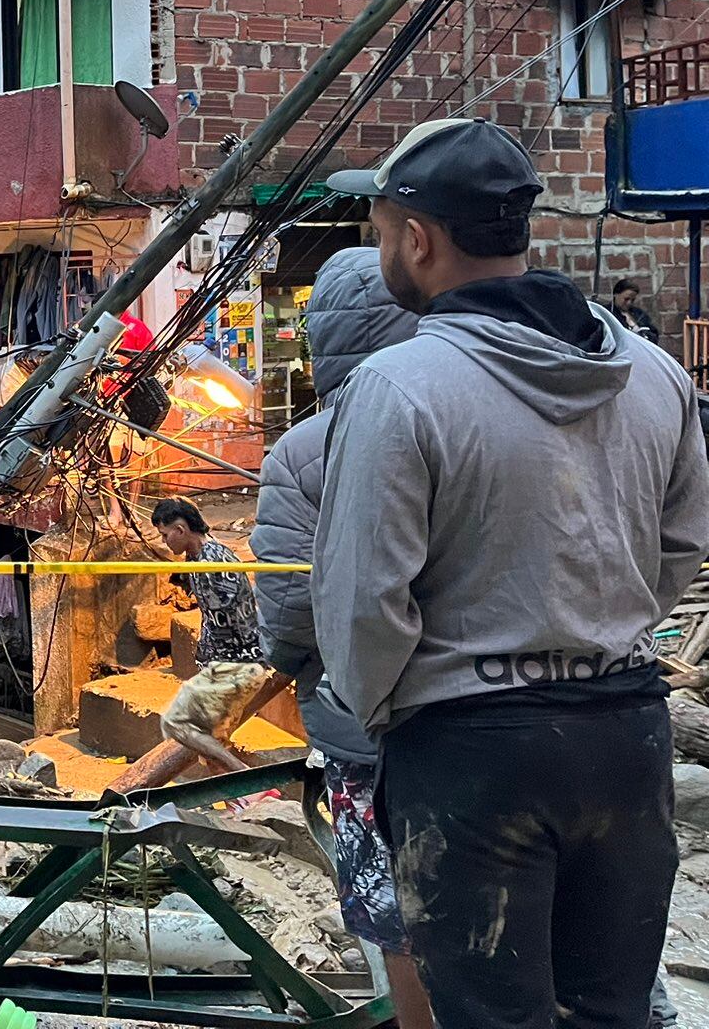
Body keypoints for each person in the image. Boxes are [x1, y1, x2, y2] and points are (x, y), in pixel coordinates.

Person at [315, 118, 709, 1029]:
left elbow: (365, 600)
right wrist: (600, 626)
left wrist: (385, 712)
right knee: (613, 1014)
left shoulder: (398, 385)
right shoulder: (650, 372)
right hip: (627, 732)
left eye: (379, 231)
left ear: (418, 237)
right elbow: (682, 543)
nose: (383, 248)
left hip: (471, 754)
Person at [249, 250, 431, 1029]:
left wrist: (293, 667)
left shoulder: (304, 451)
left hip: (364, 728)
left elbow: (290, 611)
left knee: (396, 917)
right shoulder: (473, 406)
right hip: (504, 716)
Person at [150, 497, 267, 773]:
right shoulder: (196, 556)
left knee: (176, 724)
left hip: (236, 663)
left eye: (165, 535)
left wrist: (211, 670)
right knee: (209, 737)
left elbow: (230, 620)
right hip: (223, 662)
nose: (164, 542)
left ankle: (242, 776)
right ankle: (240, 800)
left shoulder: (213, 559)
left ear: (181, 530)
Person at [614, 278, 661, 345]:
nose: (629, 303)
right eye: (626, 299)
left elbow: (654, 333)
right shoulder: (608, 313)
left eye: (632, 300)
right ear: (616, 295)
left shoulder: (639, 313)